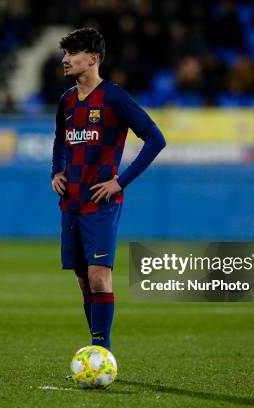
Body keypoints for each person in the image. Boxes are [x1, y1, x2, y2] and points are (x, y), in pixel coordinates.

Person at [51, 28, 166, 354]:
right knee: (83, 279)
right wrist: (55, 172)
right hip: (70, 202)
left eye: (71, 53)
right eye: (65, 53)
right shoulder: (67, 101)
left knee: (100, 277)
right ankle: (97, 346)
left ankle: (102, 349)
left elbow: (156, 139)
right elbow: (60, 140)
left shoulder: (114, 97)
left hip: (102, 203)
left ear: (93, 58)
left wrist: (120, 181)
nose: (65, 60)